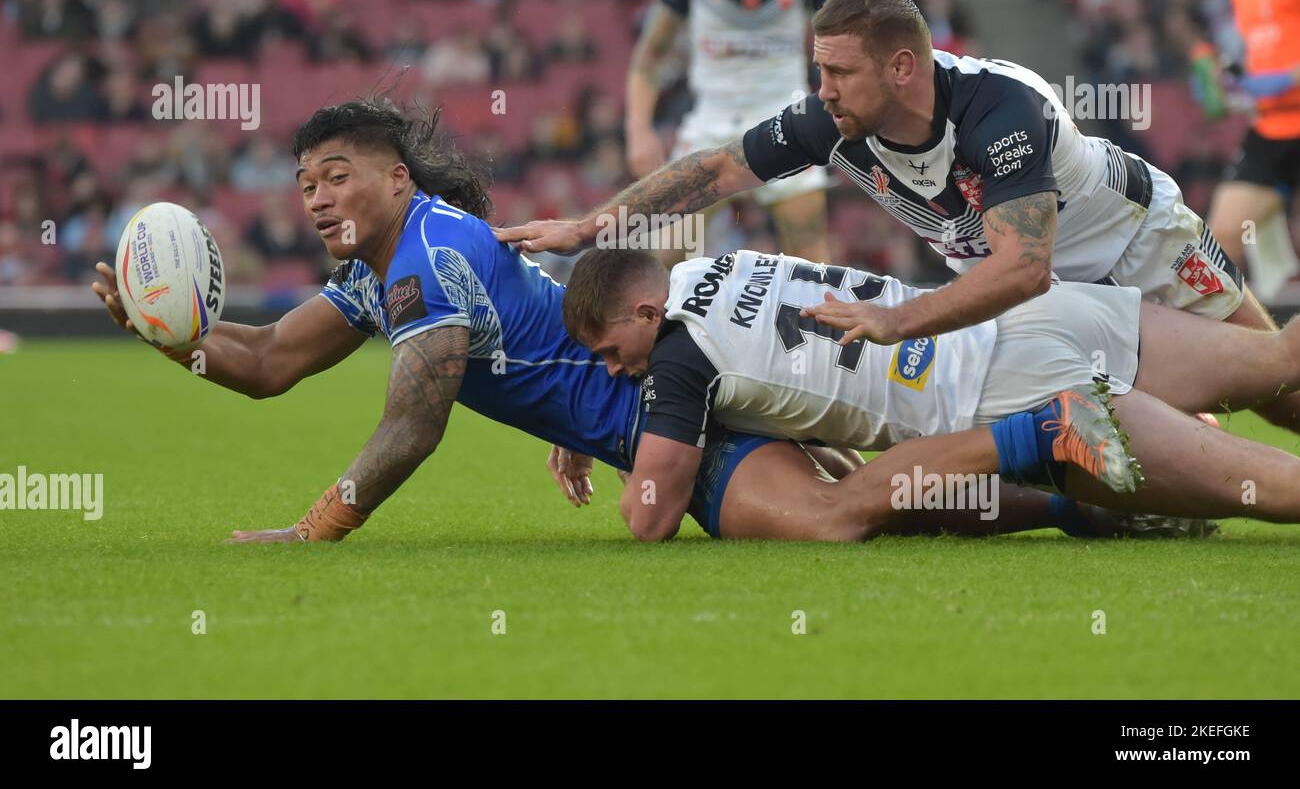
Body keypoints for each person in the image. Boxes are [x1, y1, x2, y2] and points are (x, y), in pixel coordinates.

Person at [88, 98, 1144, 545]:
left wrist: (315, 525)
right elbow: (270, 361)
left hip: (678, 411)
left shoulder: (429, 261)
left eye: (337, 175)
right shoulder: (383, 270)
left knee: (836, 517)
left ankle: (1043, 439)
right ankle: (1085, 505)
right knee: (882, 503)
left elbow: (416, 423)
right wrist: (169, 337)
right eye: (304, 184)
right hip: (672, 393)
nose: (315, 198)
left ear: (394, 179)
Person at [497, 0, 1300, 435]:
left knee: (1278, 389)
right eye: (820, 72)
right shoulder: (833, 124)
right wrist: (593, 225)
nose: (822, 93)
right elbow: (714, 171)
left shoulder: (1001, 110)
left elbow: (1024, 266)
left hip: (1137, 247)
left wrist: (897, 324)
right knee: (1109, 427)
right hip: (1038, 296)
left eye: (840, 73)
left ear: (905, 67)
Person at [559, 247, 1300, 542]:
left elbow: (651, 519)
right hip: (1015, 311)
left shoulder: (682, 360)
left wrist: (615, 438)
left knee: (1276, 487)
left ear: (648, 315)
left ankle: (1052, 447)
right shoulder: (706, 262)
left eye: (609, 353)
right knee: (1278, 355)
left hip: (1002, 391)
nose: (614, 369)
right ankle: (1097, 492)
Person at [625, 0, 838, 263]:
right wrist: (638, 131)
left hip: (788, 118)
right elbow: (649, 57)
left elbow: (847, 43)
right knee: (664, 258)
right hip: (710, 121)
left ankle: (815, 330)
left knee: (812, 261)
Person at [1207, 0, 1300, 297]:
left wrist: (1290, 78)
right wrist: (1238, 86)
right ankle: (1254, 350)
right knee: (1221, 235)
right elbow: (1264, 50)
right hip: (1270, 127)